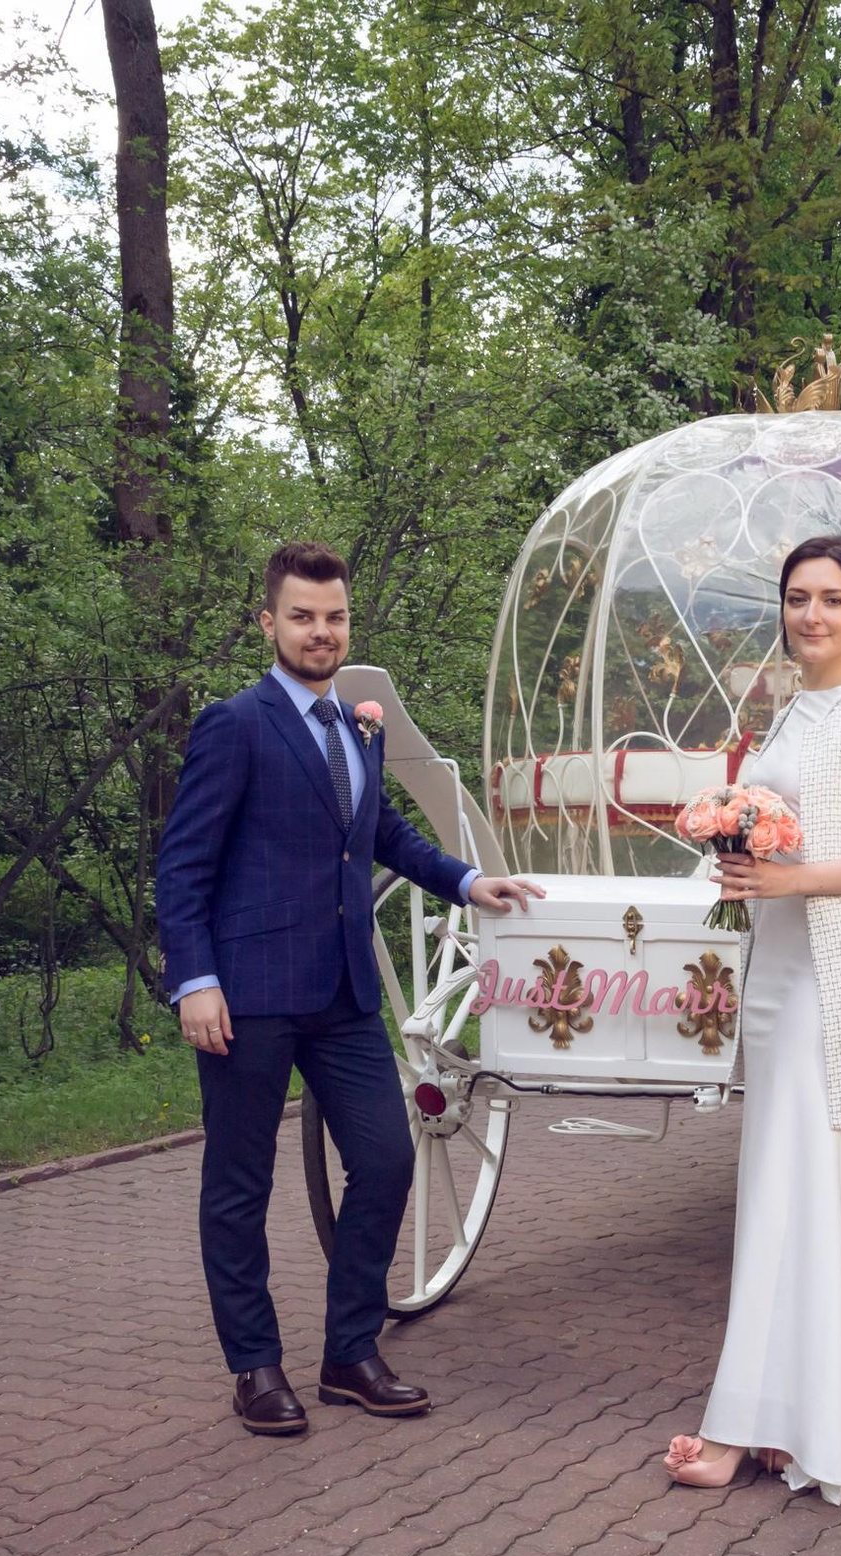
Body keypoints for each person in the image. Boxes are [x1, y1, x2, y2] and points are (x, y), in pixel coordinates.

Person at [157, 541, 544, 1437]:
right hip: (245, 996)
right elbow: (181, 868)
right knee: (238, 1186)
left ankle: (348, 1354)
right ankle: (255, 1368)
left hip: (341, 994)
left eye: (333, 617)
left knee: (388, 1158)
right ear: (269, 623)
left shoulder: (358, 727)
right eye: (301, 616)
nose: (319, 631)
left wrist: (464, 881)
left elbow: (381, 834)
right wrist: (195, 982)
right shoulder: (235, 725)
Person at [663, 534, 841, 1501]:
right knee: (776, 1192)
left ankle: (763, 1426)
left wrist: (792, 876)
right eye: (795, 598)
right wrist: (737, 856)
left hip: (836, 979)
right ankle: (787, 1418)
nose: (810, 615)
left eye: (829, 599)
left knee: (809, 1191)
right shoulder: (788, 711)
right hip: (777, 973)